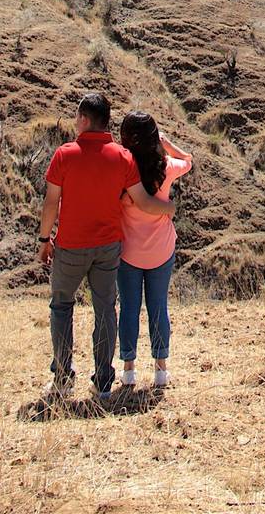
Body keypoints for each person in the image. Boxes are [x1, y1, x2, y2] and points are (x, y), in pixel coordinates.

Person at [37, 94, 176, 401]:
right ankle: (102, 382)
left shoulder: (64, 154)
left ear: (85, 120)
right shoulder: (122, 157)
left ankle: (62, 378)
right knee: (105, 311)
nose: (75, 125)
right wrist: (168, 209)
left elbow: (50, 203)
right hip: (108, 248)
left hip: (71, 246)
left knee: (61, 307)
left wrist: (45, 240)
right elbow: (142, 201)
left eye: (76, 119)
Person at [117, 112, 192, 388]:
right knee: (158, 307)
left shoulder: (122, 169)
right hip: (161, 249)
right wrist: (167, 143)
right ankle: (160, 369)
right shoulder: (167, 166)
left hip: (128, 251)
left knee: (128, 308)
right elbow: (189, 160)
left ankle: (128, 369)